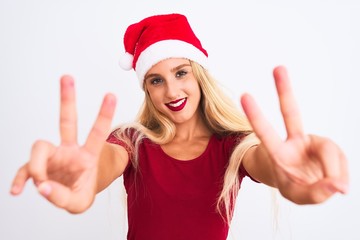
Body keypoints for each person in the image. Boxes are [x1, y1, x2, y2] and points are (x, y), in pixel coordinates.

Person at [10, 13, 349, 240]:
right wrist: (79, 178)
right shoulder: (131, 142)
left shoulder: (232, 145)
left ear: (199, 75)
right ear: (146, 89)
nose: (171, 91)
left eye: (181, 73)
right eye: (156, 80)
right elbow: (101, 163)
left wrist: (293, 177)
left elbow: (266, 162)